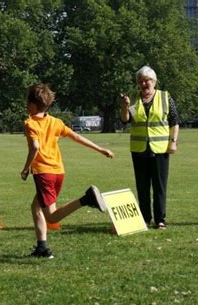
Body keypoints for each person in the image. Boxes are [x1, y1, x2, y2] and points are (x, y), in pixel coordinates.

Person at [21, 83, 114, 259]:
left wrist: (26, 169)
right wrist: (100, 149)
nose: (26, 105)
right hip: (58, 172)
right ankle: (42, 248)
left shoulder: (30, 123)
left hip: (44, 173)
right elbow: (76, 137)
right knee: (35, 207)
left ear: (33, 104)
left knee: (52, 218)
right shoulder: (56, 122)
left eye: (27, 102)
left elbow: (34, 146)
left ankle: (87, 199)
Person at [120, 65, 180, 230]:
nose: (144, 84)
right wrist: (124, 106)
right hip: (139, 148)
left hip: (160, 149)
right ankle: (145, 218)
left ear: (154, 81)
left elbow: (174, 122)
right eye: (141, 81)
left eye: (147, 80)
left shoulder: (165, 97)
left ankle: (160, 219)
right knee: (142, 186)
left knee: (160, 186)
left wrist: (173, 142)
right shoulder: (133, 98)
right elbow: (125, 120)